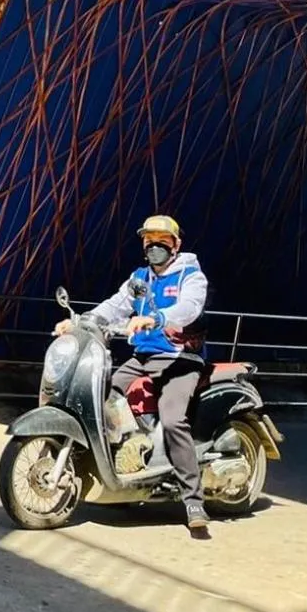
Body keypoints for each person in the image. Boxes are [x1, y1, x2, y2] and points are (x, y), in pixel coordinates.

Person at [58, 214, 210, 530]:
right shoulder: (139, 278)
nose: (154, 246)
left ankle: (193, 500)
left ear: (176, 245)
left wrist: (157, 318)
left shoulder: (191, 276)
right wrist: (79, 322)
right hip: (142, 357)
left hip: (180, 359)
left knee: (173, 418)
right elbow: (114, 306)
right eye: (149, 241)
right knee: (104, 397)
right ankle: (130, 458)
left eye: (162, 241)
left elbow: (189, 308)